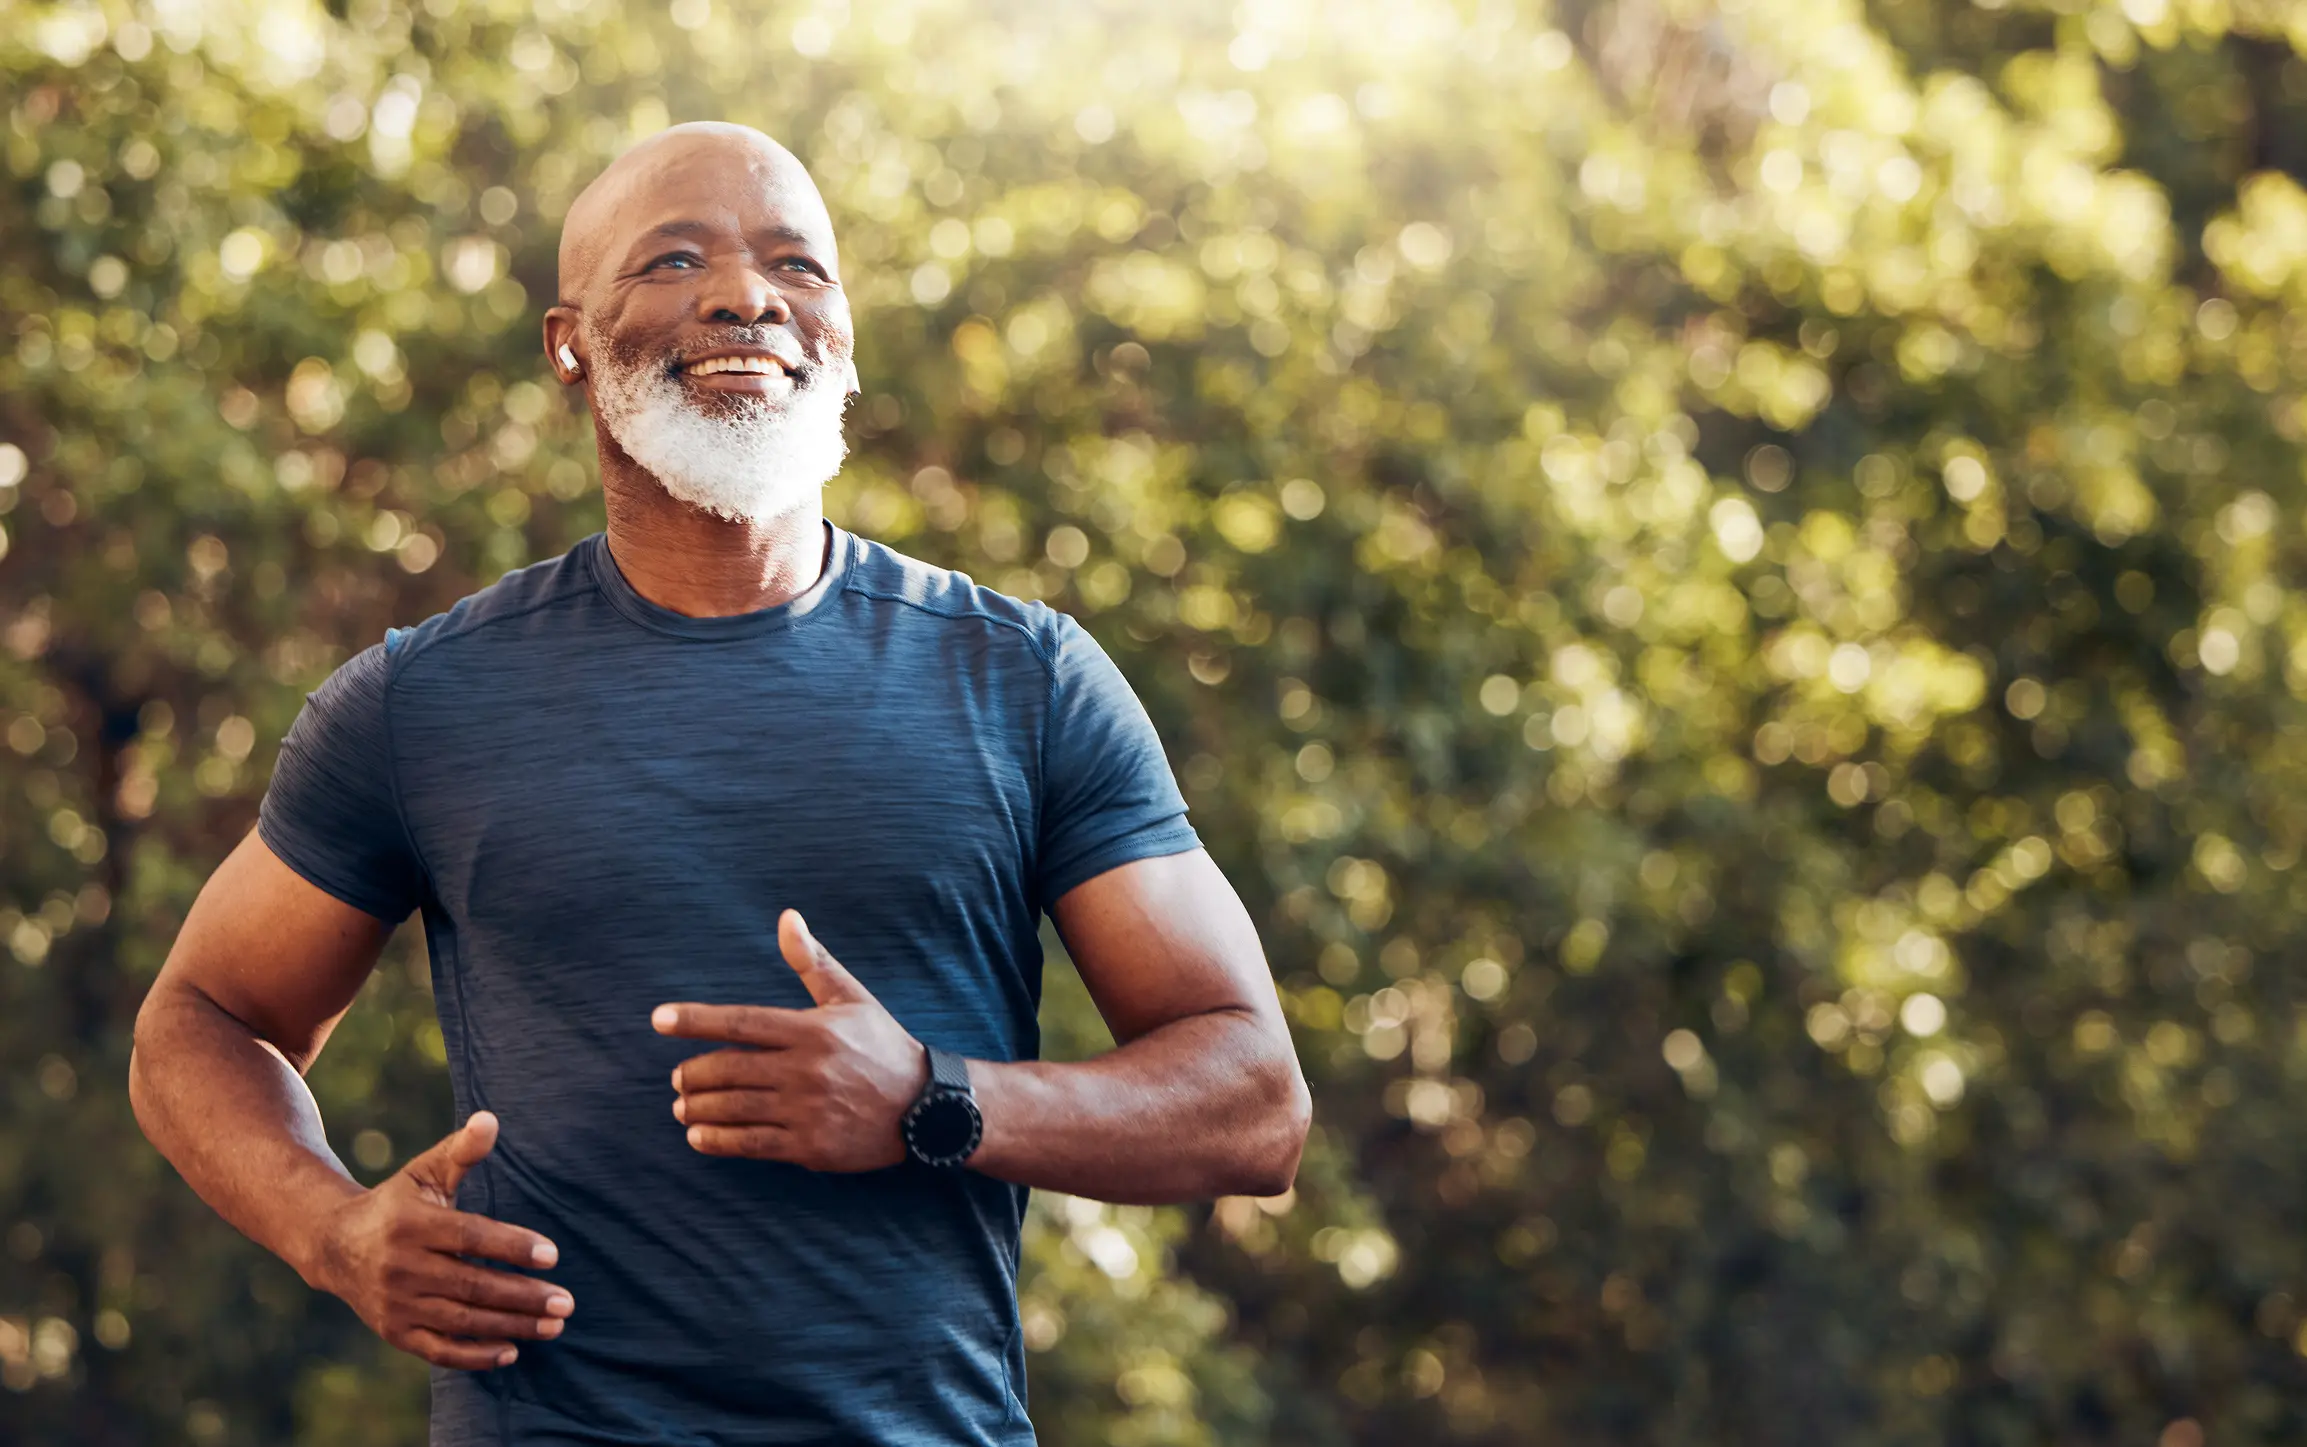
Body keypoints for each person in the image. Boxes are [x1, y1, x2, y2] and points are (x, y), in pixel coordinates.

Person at [129, 122, 1311, 1447]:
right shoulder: (424, 700)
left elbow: (1253, 1101)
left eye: (794, 265)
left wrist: (932, 1097)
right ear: (568, 342)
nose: (744, 295)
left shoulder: (1022, 680)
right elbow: (203, 1017)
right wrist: (331, 1229)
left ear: (843, 331)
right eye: (673, 259)